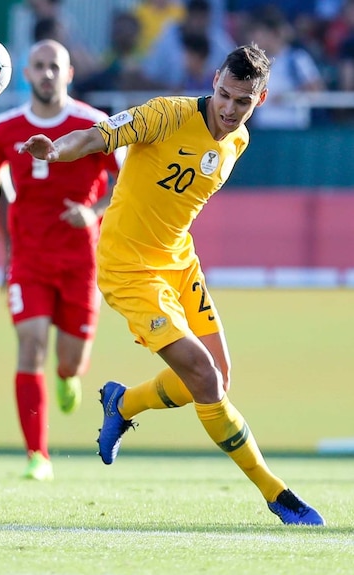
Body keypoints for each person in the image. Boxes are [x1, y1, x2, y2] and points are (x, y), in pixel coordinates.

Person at [21, 44, 325, 525]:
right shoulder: (165, 115)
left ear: (260, 100)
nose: (229, 109)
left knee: (218, 378)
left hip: (179, 261)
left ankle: (123, 402)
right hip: (128, 267)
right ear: (213, 82)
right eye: (224, 94)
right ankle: (276, 493)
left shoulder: (238, 140)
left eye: (242, 102)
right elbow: (99, 136)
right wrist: (57, 151)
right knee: (203, 377)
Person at [0, 40, 122, 481]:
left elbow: (125, 183)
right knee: (31, 347)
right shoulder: (3, 128)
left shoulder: (94, 124)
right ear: (25, 73)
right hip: (30, 258)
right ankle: (38, 455)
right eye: (39, 66)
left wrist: (92, 213)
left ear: (70, 73)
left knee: (70, 361)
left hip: (80, 260)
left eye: (54, 66)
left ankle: (67, 375)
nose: (47, 74)